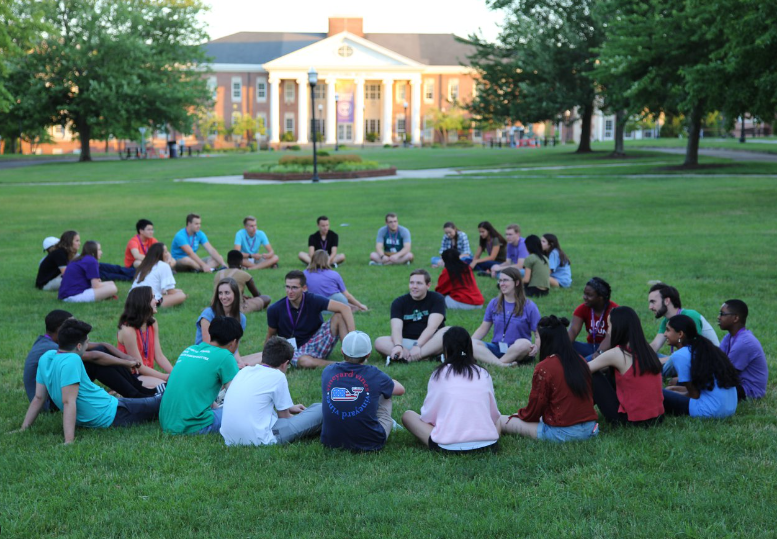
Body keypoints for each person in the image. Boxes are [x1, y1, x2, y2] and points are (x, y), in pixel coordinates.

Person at [18, 319, 162, 444]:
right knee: (161, 402)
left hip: (102, 408)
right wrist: (69, 441)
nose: (88, 345)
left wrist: (23, 428)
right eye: (86, 343)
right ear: (79, 346)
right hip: (110, 413)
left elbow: (38, 398)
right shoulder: (72, 360)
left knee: (153, 400)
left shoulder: (46, 357)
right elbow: (69, 402)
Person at [23, 310, 157, 411]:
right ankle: (136, 396)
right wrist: (125, 363)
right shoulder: (50, 348)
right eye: (71, 325)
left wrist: (125, 357)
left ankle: (139, 390)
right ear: (60, 329)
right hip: (52, 402)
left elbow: (101, 345)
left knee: (100, 352)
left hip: (59, 392)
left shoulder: (51, 339)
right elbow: (93, 356)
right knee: (95, 363)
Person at [500, 316, 599, 443]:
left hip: (563, 432)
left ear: (546, 339)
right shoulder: (580, 360)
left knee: (502, 420)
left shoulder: (544, 368)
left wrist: (518, 415)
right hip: (590, 428)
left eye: (536, 337)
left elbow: (534, 411)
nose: (535, 342)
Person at [401, 327, 500, 453]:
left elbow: (428, 416)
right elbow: (494, 415)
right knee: (500, 419)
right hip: (488, 444)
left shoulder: (439, 374)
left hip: (447, 446)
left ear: (446, 350)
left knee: (408, 416)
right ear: (470, 348)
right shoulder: (483, 373)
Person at [220, 337, 323, 446]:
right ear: (285, 363)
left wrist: (289, 407)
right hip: (260, 438)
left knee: (315, 409)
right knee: (321, 409)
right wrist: (304, 419)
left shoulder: (244, 371)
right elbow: (285, 417)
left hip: (229, 439)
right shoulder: (278, 376)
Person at [321, 331, 406, 451]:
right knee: (386, 393)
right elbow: (400, 390)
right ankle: (388, 423)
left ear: (342, 351)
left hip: (330, 441)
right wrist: (387, 380)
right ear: (368, 354)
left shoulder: (328, 371)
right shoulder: (375, 375)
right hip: (371, 443)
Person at [160, 316, 242, 434]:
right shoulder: (225, 356)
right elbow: (238, 397)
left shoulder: (190, 350)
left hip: (166, 422)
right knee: (237, 414)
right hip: (192, 425)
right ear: (234, 342)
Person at [587, 307, 664, 427]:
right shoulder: (646, 349)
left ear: (619, 327)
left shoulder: (618, 353)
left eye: (609, 325)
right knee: (608, 372)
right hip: (656, 417)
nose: (608, 331)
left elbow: (583, 369)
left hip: (629, 421)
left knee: (593, 375)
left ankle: (577, 412)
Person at [265, 270, 356, 369]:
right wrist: (265, 359)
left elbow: (345, 308)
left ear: (304, 288)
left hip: (316, 341)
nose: (290, 291)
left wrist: (353, 338)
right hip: (294, 350)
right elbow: (270, 336)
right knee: (305, 362)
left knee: (339, 316)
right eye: (287, 287)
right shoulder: (275, 309)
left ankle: (352, 355)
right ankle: (342, 365)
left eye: (294, 287)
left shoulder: (313, 299)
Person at [662, 314, 739, 418]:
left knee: (657, 393)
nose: (664, 334)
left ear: (680, 334)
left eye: (667, 330)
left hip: (709, 411)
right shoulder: (706, 348)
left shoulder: (679, 356)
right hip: (729, 409)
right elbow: (697, 389)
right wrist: (674, 390)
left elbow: (694, 395)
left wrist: (675, 394)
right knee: (670, 390)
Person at [375, 269, 449, 364]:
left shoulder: (437, 299)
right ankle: (427, 357)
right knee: (379, 342)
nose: (414, 286)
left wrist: (417, 346)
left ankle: (405, 358)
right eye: (411, 283)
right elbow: (396, 328)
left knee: (449, 332)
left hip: (430, 341)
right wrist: (398, 345)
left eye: (419, 283)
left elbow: (432, 327)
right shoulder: (399, 302)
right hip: (406, 342)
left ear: (428, 285)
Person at [471, 267, 540, 366]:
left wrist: (536, 348)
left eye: (505, 280)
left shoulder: (529, 306)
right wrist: (468, 344)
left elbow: (538, 334)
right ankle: (502, 365)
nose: (501, 283)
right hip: (497, 347)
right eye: (500, 280)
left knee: (524, 343)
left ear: (516, 283)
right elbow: (483, 328)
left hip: (518, 349)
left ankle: (494, 362)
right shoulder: (494, 303)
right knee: (472, 344)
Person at [647, 283, 719, 376]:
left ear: (667, 301)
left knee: (674, 359)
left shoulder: (690, 316)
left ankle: (650, 372)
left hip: (705, 362)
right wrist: (638, 356)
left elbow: (692, 351)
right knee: (648, 355)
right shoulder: (667, 321)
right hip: (684, 357)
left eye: (653, 302)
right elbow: (655, 345)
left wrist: (658, 361)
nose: (650, 307)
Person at [117, 286, 173, 388]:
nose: (156, 301)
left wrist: (175, 374)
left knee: (176, 384)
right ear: (143, 302)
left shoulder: (152, 323)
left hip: (147, 375)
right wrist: (165, 377)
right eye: (153, 298)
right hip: (132, 376)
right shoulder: (128, 330)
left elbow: (159, 356)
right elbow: (139, 367)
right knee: (166, 387)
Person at [717, 300, 767, 401]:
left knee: (706, 387)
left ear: (735, 318)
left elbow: (726, 374)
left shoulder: (744, 342)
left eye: (722, 314)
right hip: (736, 383)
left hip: (750, 391)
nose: (719, 317)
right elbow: (716, 361)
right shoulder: (729, 337)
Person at [568, 277, 617, 360]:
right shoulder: (582, 309)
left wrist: (599, 352)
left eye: (589, 295)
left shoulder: (614, 311)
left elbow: (610, 337)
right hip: (591, 346)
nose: (585, 297)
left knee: (585, 364)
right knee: (567, 346)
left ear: (600, 298)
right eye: (585, 294)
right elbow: (573, 330)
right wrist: (562, 347)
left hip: (610, 350)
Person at [130, 243, 186, 308]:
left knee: (178, 291)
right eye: (165, 252)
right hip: (146, 301)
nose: (168, 254)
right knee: (181, 295)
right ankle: (154, 305)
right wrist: (177, 293)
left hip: (132, 299)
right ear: (160, 254)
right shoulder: (164, 265)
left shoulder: (144, 265)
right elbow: (171, 291)